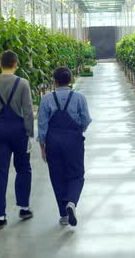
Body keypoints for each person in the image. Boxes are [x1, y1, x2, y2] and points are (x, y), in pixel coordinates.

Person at [0, 50, 35, 229]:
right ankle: (24, 208)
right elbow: (28, 111)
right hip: (19, 131)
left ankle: (0, 216)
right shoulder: (23, 83)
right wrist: (30, 134)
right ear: (16, 64)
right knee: (24, 168)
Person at [37, 67, 92, 227]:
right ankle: (72, 203)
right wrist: (77, 130)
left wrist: (43, 146)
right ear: (71, 80)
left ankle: (63, 214)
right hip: (73, 141)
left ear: (54, 81)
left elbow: (42, 125)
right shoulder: (79, 98)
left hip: (53, 141)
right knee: (76, 175)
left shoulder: (47, 99)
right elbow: (86, 119)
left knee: (57, 177)